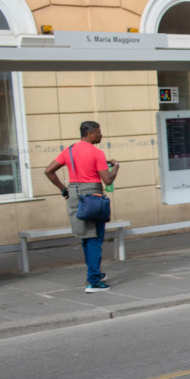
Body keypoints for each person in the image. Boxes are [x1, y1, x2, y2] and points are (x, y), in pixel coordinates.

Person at [43, 121, 120, 293]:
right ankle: (93, 281)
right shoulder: (97, 153)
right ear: (90, 133)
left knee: (86, 237)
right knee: (95, 239)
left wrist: (63, 189)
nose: (101, 135)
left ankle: (95, 273)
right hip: (92, 195)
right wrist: (116, 167)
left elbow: (49, 170)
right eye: (99, 132)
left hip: (74, 196)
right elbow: (107, 180)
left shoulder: (69, 150)